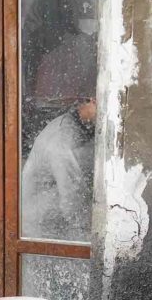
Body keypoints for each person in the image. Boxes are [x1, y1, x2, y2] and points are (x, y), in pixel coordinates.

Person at [21, 98, 96, 242]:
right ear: (91, 101)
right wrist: (89, 235)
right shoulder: (62, 141)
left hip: (48, 213)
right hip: (42, 222)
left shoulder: (74, 124)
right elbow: (72, 198)